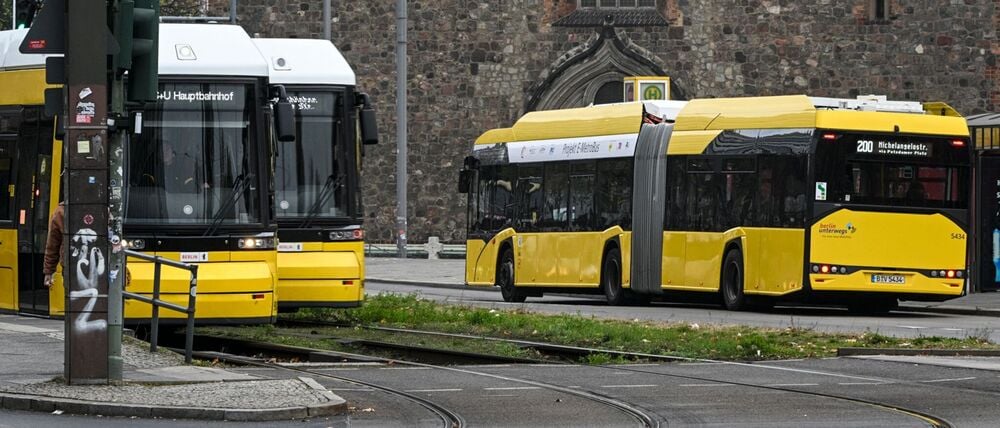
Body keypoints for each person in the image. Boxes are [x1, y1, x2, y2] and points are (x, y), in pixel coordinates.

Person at [42, 201, 65, 288]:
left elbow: (53, 244)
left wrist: (49, 271)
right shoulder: (101, 208)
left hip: (71, 269)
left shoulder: (61, 211)